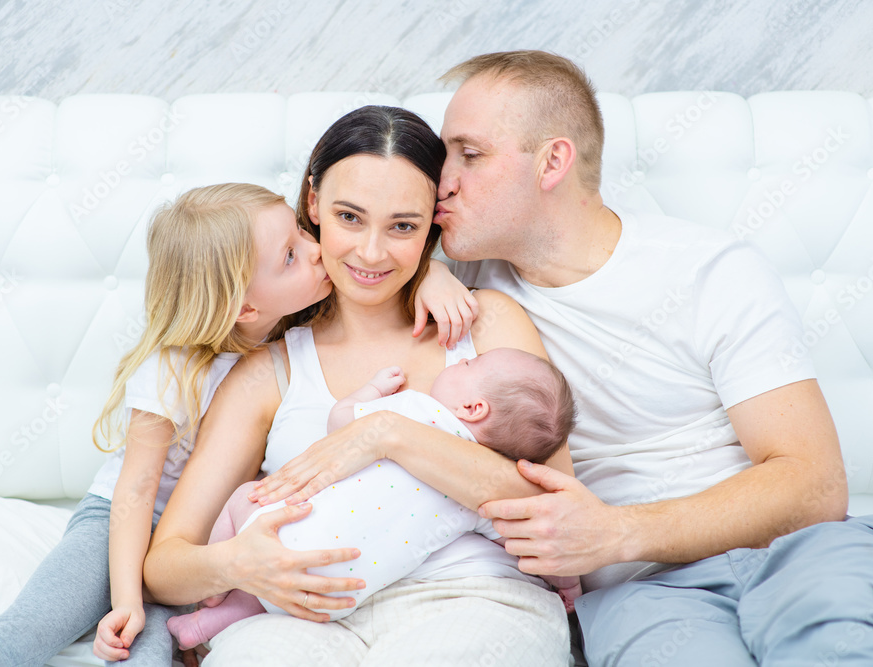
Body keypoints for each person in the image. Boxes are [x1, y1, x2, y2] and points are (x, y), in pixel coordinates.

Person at [424, 50, 873, 665]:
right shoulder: (460, 290)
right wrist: (418, 272)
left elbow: (815, 482)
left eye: (470, 154)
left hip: (795, 550)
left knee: (837, 648)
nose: (442, 180)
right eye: (443, 156)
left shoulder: (707, 269)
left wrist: (617, 532)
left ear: (552, 161)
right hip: (643, 593)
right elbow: (317, 255)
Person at [0, 183, 472, 667]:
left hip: (206, 542)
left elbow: (379, 279)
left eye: (302, 233)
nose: (317, 249)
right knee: (31, 631)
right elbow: (135, 491)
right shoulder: (173, 369)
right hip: (122, 529)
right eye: (291, 254)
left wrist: (435, 274)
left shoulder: (290, 334)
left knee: (157, 650)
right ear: (244, 308)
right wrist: (126, 599)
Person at [144, 105, 573, 667]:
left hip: (470, 598)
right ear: (314, 202)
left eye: (402, 226)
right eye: (349, 217)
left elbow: (560, 514)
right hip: (302, 612)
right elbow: (163, 567)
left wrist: (388, 435)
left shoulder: (484, 324)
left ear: (431, 226)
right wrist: (237, 564)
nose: (372, 253)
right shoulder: (269, 373)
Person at [166, 349, 580, 650]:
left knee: (245, 496)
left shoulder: (418, 410)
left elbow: (341, 421)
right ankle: (212, 618)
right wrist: (569, 583)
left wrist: (371, 392)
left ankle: (216, 599)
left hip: (280, 553)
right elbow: (532, 529)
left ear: (472, 407)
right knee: (277, 606)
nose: (458, 362)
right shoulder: (478, 497)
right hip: (336, 598)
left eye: (468, 364)